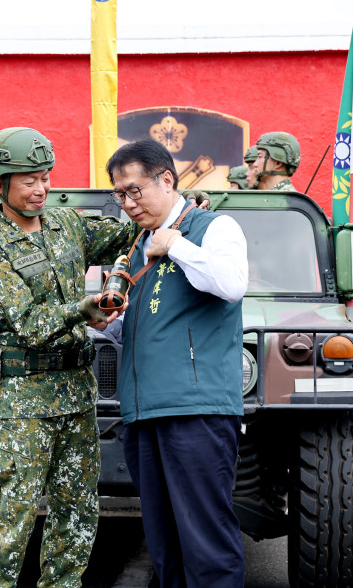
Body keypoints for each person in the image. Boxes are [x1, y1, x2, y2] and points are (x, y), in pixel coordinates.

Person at [0, 127, 140, 588]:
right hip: (25, 402)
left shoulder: (67, 225)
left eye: (45, 178)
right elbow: (28, 322)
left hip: (76, 395)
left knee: (77, 510)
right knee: (13, 513)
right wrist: (85, 308)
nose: (41, 188)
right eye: (29, 180)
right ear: (1, 184)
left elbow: (131, 235)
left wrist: (178, 208)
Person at [105, 139, 248, 588]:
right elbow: (139, 325)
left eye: (134, 191)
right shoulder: (135, 247)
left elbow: (231, 284)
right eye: (119, 195)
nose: (127, 204)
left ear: (167, 180)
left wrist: (177, 245)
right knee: (164, 547)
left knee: (206, 544)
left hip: (195, 409)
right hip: (143, 413)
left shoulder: (213, 227)